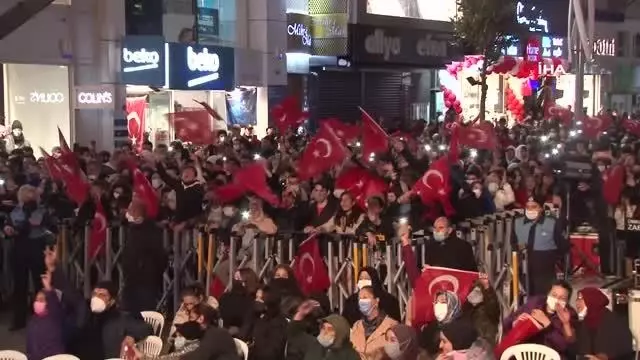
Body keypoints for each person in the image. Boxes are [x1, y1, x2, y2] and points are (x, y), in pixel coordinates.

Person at [6, 184, 57, 330]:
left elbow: (51, 229)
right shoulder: (15, 211)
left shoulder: (43, 212)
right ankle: (19, 320)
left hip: (36, 248)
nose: (29, 198)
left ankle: (43, 317)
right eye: (26, 195)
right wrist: (8, 229)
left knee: (40, 285)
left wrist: (42, 227)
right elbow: (9, 226)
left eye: (31, 195)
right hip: (19, 249)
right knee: (19, 286)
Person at [75, 281, 153, 359]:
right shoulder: (86, 317)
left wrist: (131, 337)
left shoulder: (120, 318)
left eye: (102, 295)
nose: (96, 298)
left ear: (111, 301)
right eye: (94, 294)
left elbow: (146, 327)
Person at [502, 280, 576, 358]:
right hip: (524, 354)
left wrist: (548, 326)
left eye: (562, 298)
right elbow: (506, 323)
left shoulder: (570, 314)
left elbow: (564, 347)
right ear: (548, 294)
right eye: (554, 295)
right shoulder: (535, 303)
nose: (557, 300)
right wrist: (515, 323)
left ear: (567, 302)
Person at [121, 199, 168, 313]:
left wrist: (152, 271)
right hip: (131, 277)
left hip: (146, 278)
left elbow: (159, 256)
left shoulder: (151, 231)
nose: (127, 214)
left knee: (144, 312)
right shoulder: (133, 229)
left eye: (130, 211)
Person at [512, 197, 566, 295]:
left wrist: (551, 258)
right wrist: (517, 247)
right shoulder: (517, 222)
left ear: (541, 208)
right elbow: (512, 244)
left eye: (534, 207)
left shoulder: (552, 223)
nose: (530, 210)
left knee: (543, 298)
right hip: (523, 267)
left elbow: (562, 246)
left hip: (544, 269)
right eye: (527, 207)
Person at [573, 287, 634, 360]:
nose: (577, 302)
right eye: (577, 298)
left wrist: (602, 357)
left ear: (593, 300)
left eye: (581, 298)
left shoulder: (613, 320)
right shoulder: (585, 322)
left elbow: (623, 346)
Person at [287, 302, 359, 360]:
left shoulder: (350, 356)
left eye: (330, 329)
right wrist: (300, 314)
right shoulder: (314, 345)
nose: (325, 331)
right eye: (323, 327)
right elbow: (294, 334)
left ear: (340, 332)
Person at [350, 286, 399, 359]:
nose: (361, 301)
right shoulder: (356, 326)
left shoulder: (392, 325)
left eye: (365, 297)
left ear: (376, 301)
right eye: (359, 299)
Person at [26, 271, 65, 360]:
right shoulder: (33, 320)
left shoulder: (54, 317)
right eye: (37, 300)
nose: (38, 302)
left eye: (42, 300)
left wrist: (48, 288)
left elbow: (54, 302)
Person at [418, 291, 463, 357]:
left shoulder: (462, 328)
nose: (439, 305)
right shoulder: (430, 327)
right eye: (436, 302)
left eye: (443, 302)